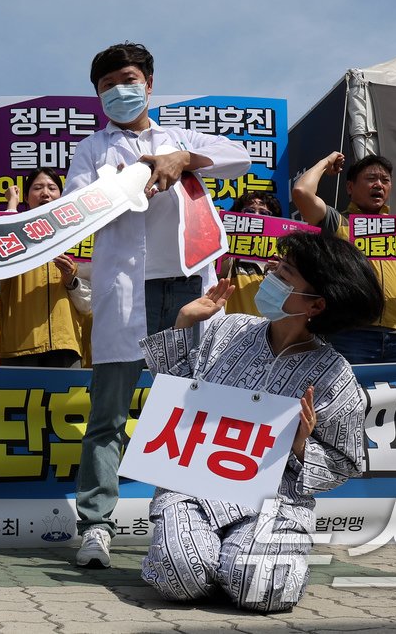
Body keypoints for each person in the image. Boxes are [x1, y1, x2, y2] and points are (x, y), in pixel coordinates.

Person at [67, 42, 251, 568]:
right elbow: (81, 206)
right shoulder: (91, 149)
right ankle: (96, 525)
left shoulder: (180, 136)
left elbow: (239, 158)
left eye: (127, 79)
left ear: (148, 83)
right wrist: (127, 182)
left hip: (188, 285)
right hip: (126, 289)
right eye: (107, 86)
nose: (118, 91)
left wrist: (182, 159)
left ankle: (190, 520)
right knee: (108, 416)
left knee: (193, 408)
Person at [138, 231, 381, 612]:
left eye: (285, 276)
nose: (270, 276)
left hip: (274, 499)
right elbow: (173, 398)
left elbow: (346, 462)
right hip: (193, 486)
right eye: (277, 267)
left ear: (315, 306)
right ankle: (208, 563)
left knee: (262, 589)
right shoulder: (226, 329)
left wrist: (302, 443)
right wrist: (184, 324)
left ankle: (236, 565)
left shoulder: (334, 375)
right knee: (179, 575)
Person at [291, 152, 396, 364]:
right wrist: (325, 162)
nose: (379, 185)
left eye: (385, 180)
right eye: (370, 178)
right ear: (349, 187)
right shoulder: (337, 223)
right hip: (351, 335)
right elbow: (302, 192)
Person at [0, 168, 90, 368]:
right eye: (37, 188)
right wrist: (12, 204)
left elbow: (88, 302)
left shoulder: (76, 236)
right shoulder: (13, 235)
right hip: (19, 345)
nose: (45, 193)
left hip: (65, 345)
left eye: (52, 188)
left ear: (61, 195)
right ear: (26, 197)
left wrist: (70, 280)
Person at [220, 191, 282, 318]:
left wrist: (284, 271)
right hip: (235, 331)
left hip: (274, 331)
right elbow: (217, 276)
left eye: (264, 213)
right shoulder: (227, 251)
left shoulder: (283, 257)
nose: (257, 216)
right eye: (250, 211)